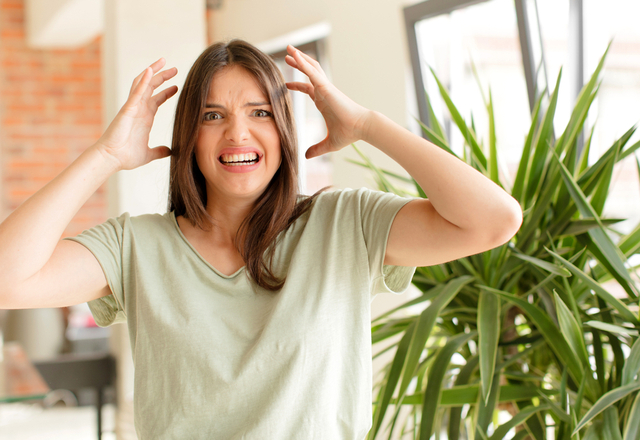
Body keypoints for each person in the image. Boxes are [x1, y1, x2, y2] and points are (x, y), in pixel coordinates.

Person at [0, 40, 522, 438]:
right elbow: (7, 279)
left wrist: (366, 124)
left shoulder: (344, 223)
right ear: (190, 139)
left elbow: (493, 221)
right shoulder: (135, 246)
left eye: (260, 112)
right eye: (212, 116)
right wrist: (107, 155)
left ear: (283, 131)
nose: (238, 133)